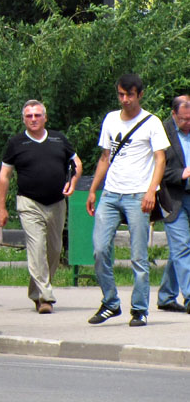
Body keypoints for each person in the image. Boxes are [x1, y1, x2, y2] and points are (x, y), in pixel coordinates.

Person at [86, 73, 168, 327]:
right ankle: (110, 302)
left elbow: (160, 159)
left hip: (138, 194)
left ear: (139, 95)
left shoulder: (151, 122)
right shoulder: (111, 119)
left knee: (138, 257)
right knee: (99, 249)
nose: (125, 100)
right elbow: (104, 157)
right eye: (121, 94)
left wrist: (151, 191)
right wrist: (93, 190)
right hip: (111, 193)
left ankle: (140, 309)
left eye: (129, 95)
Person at [0, 99, 82, 314]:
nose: (33, 119)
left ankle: (37, 292)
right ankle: (45, 297)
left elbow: (77, 164)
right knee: (37, 248)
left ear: (45, 117)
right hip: (29, 202)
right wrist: (1, 208)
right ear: (23, 119)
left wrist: (73, 183)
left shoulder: (58, 139)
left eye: (37, 115)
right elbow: (4, 177)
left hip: (56, 203)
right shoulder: (16, 143)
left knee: (53, 250)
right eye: (28, 116)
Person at [157, 95, 190, 313]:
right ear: (173, 114)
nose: (188, 123)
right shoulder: (162, 133)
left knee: (179, 250)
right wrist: (182, 173)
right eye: (184, 119)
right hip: (173, 198)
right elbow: (157, 168)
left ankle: (166, 295)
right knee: (182, 246)